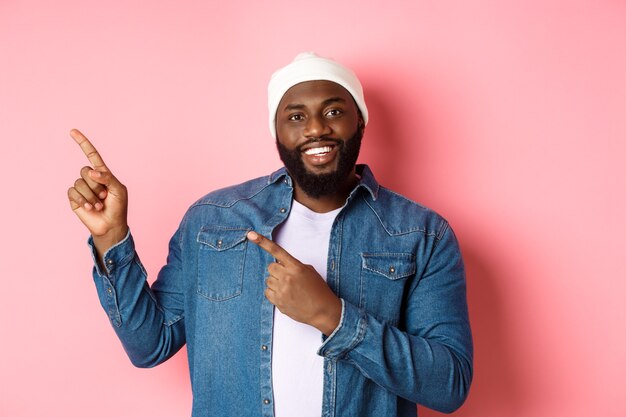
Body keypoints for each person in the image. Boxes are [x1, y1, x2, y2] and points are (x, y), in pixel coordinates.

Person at [68, 52, 473, 417]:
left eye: (334, 111)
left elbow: (450, 384)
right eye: (296, 116)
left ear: (360, 121)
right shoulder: (213, 220)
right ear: (276, 133)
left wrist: (332, 315)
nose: (316, 128)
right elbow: (150, 345)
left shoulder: (422, 234)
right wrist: (112, 238)